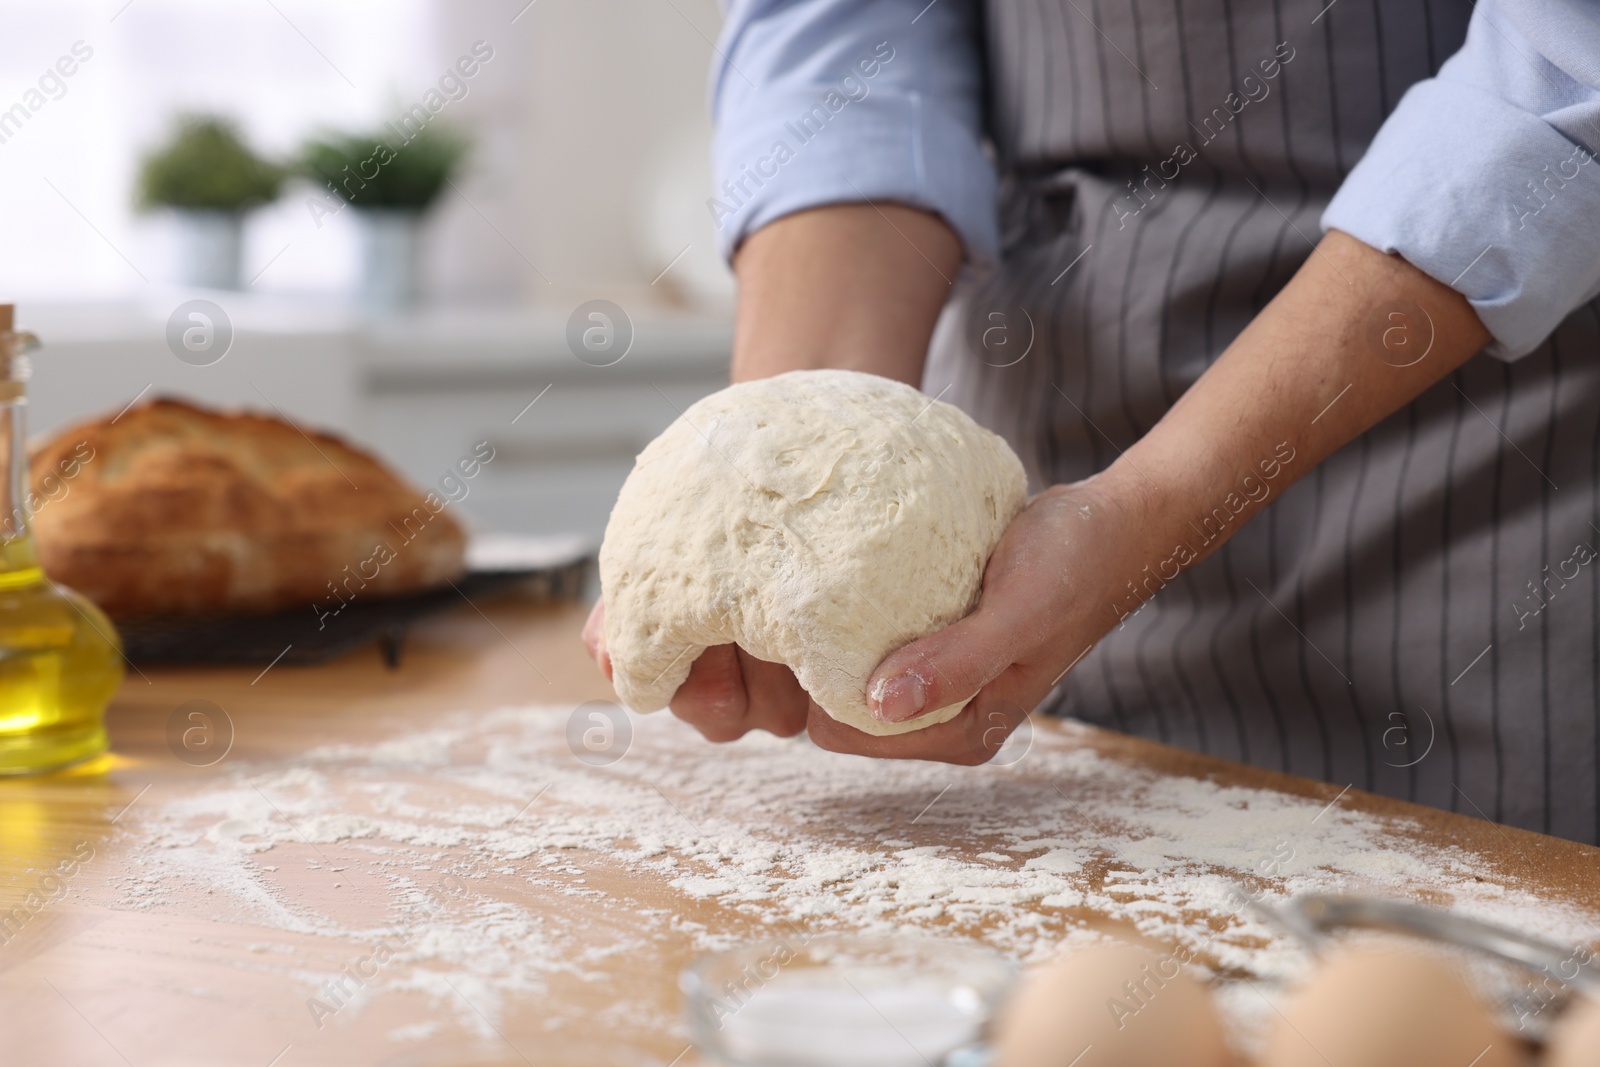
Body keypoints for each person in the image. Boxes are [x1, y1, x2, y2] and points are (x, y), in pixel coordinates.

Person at [585, 0, 1600, 843]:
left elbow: (1563, 78)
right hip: (1049, 450)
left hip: (1471, 490)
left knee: (1451, 974)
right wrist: (779, 461)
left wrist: (1148, 504)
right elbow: (848, 39)